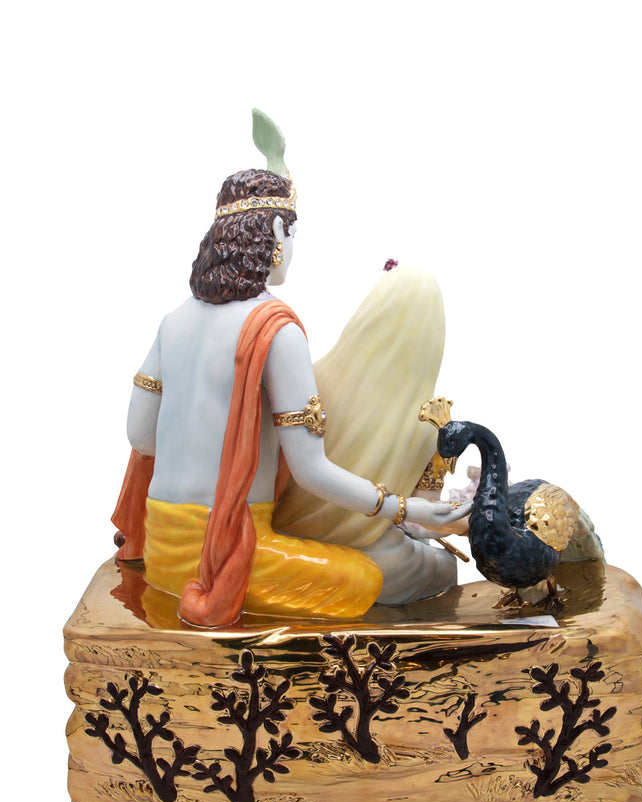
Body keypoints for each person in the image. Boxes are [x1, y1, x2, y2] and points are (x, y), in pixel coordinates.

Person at [113, 125, 469, 627]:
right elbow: (310, 470)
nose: (293, 247)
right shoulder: (275, 329)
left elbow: (141, 437)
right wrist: (404, 511)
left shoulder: (172, 322)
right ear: (276, 234)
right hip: (231, 556)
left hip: (159, 550)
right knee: (386, 577)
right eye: (293, 234)